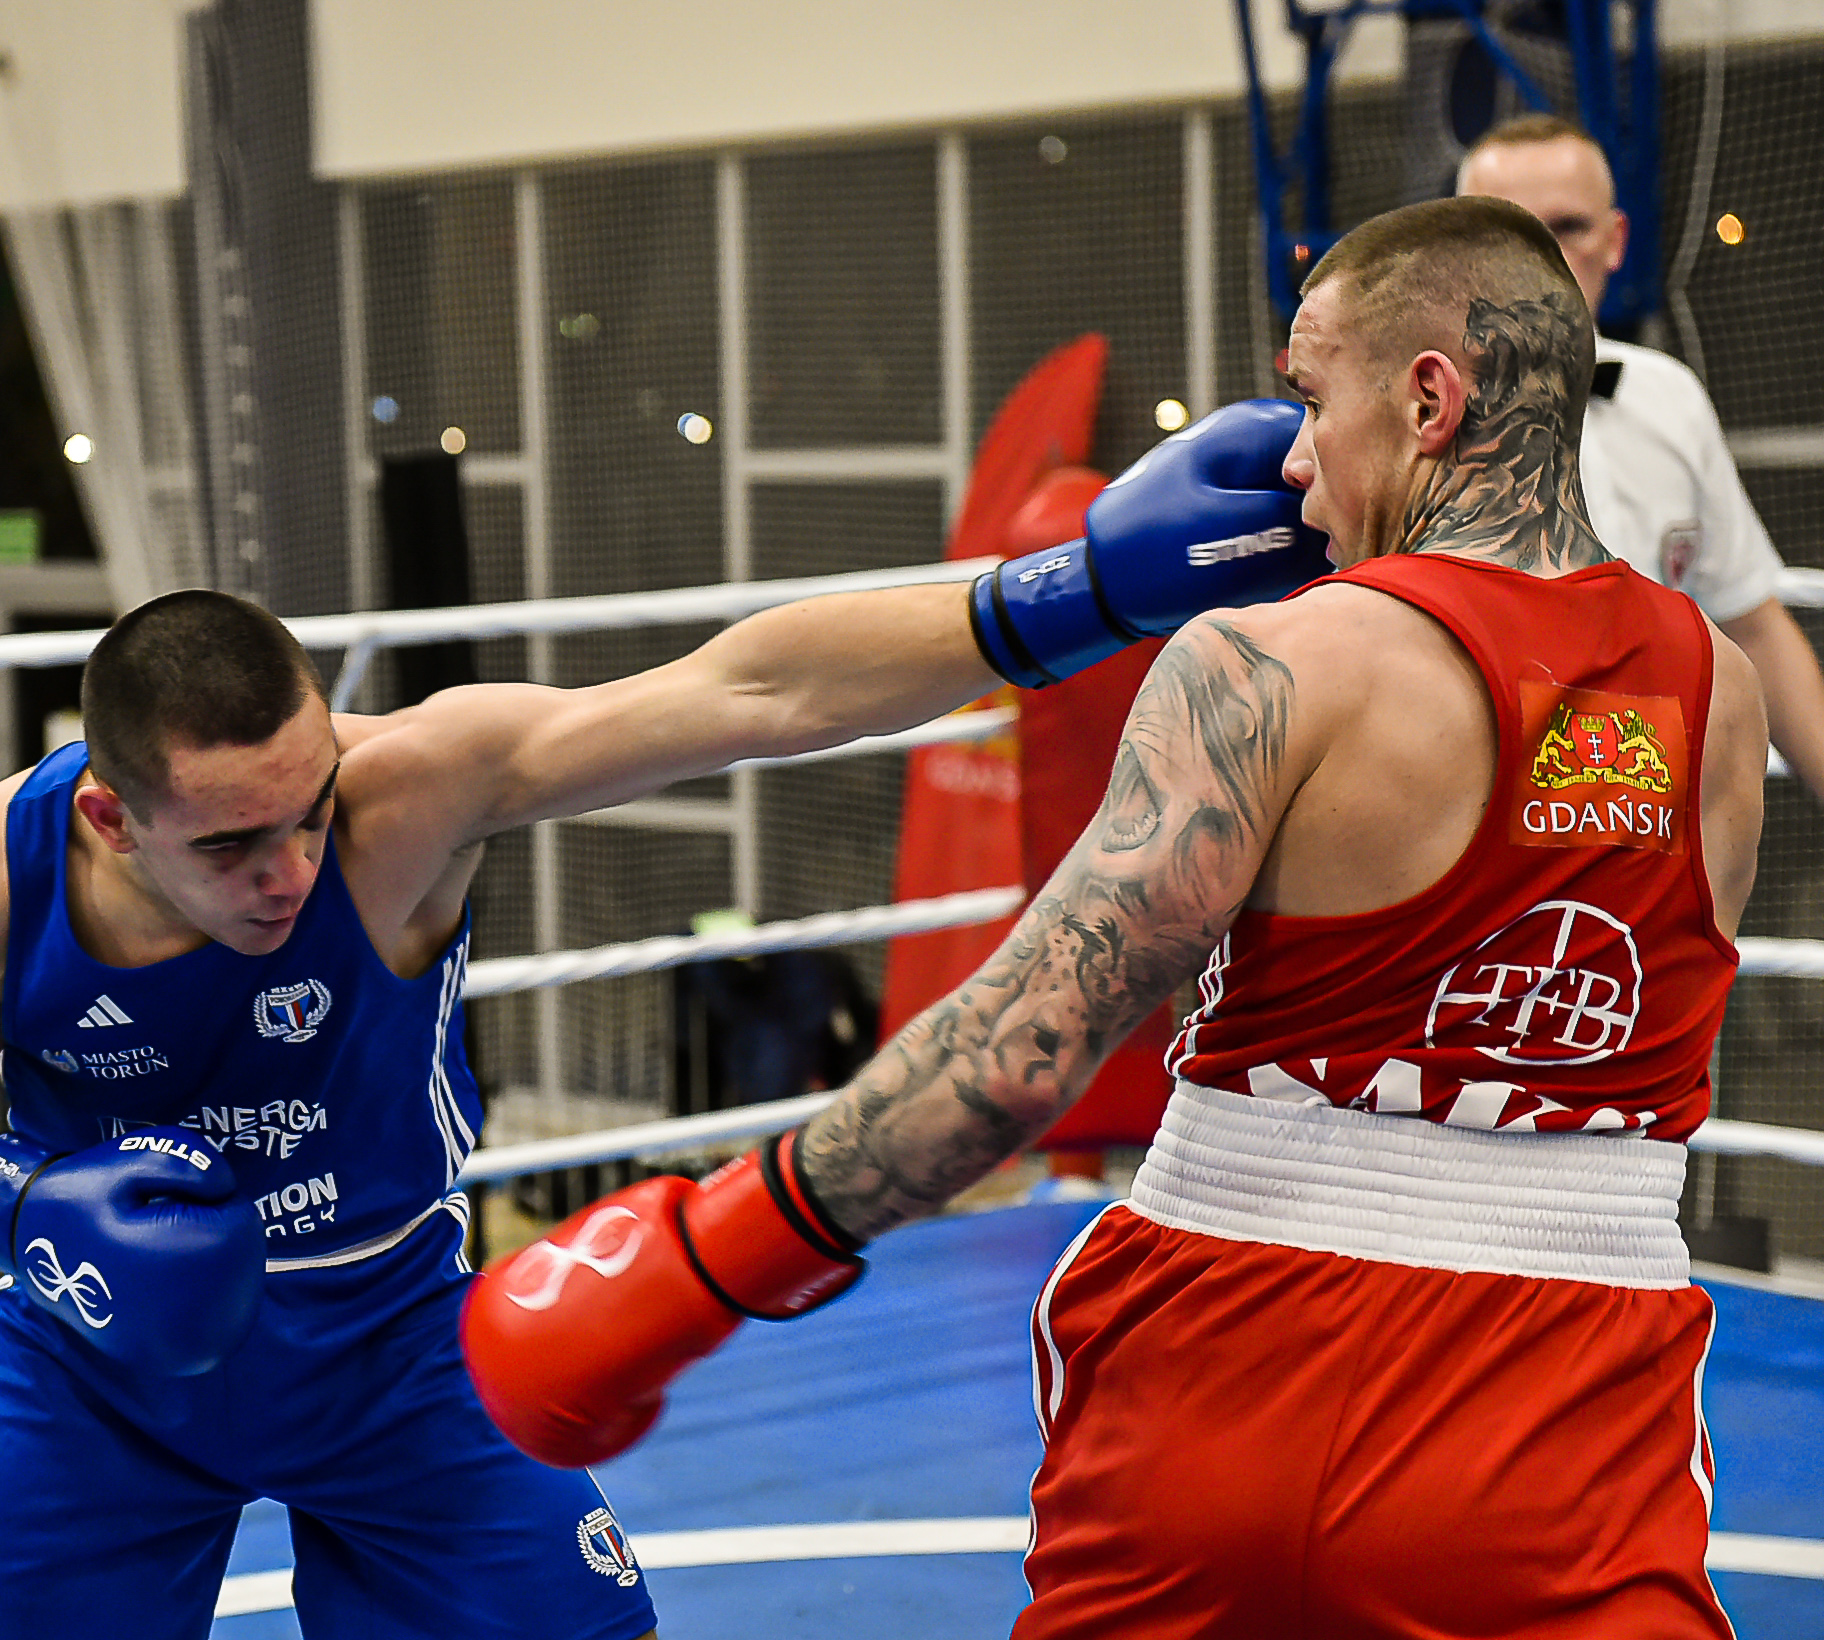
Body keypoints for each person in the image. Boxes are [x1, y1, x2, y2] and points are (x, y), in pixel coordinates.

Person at [466, 195, 1765, 1638]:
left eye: (1308, 397)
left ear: (1427, 399)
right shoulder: (1719, 692)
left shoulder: (1268, 663)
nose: (1290, 460)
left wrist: (706, 1260)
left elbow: (1017, 1052)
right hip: (1573, 1418)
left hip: (1234, 1367)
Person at [0, 408, 1323, 1640]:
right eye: (228, 845)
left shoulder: (411, 793)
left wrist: (1074, 589)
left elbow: (755, 690)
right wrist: (13, 1199)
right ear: (111, 815)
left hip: (392, 1344)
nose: (289, 871)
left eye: (307, 809)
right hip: (99, 1363)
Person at [1460, 113, 1824, 806]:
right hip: (1469, 812)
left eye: (1567, 227)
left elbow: (1752, 623)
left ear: (1615, 240)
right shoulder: (1401, 415)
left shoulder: (1668, 397)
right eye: (1509, 232)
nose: (1540, 259)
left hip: (1656, 808)